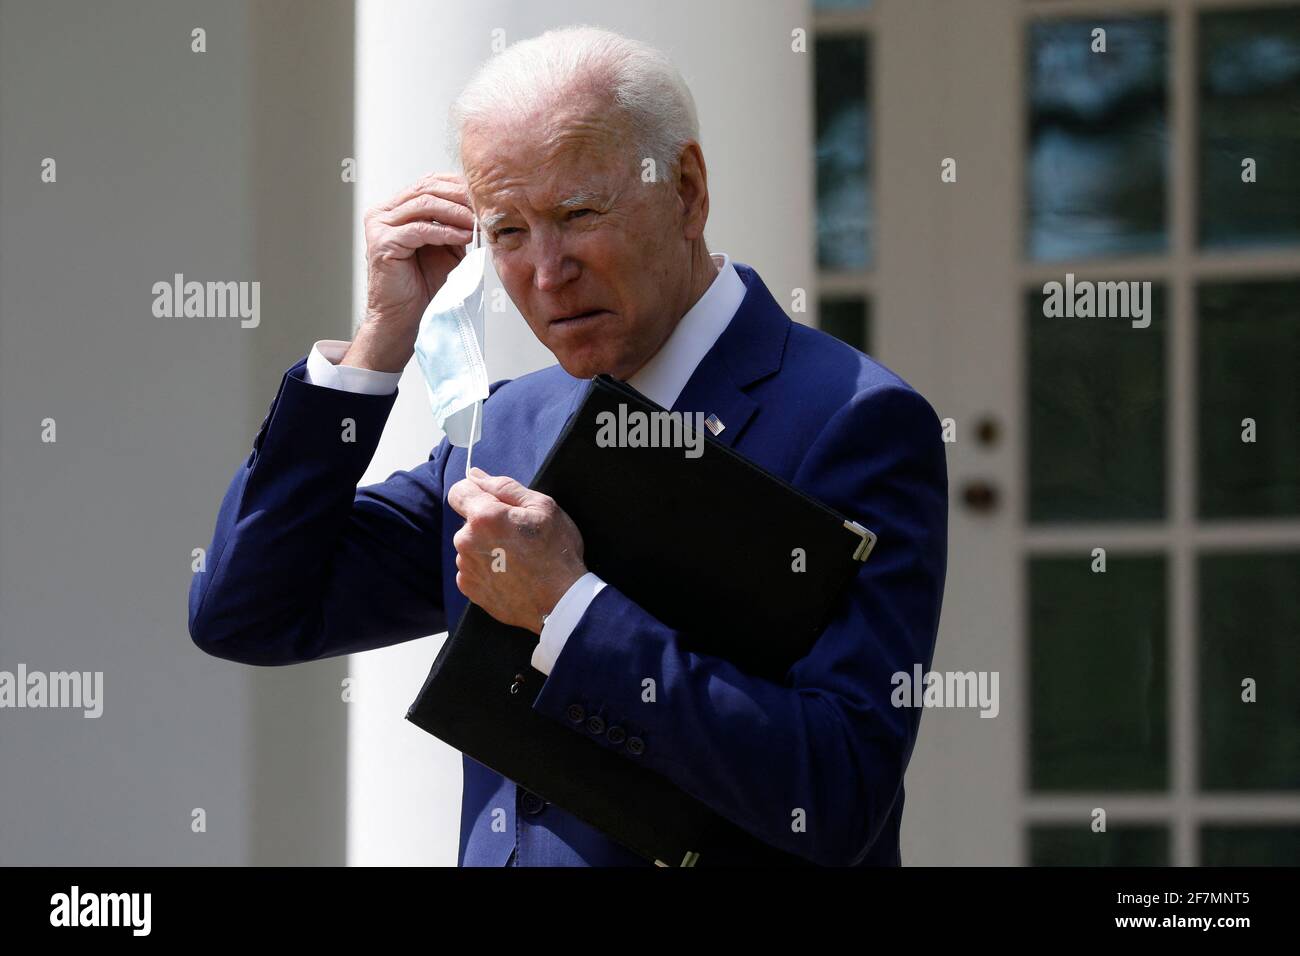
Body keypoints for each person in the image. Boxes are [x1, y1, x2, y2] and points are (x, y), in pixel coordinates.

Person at [188, 24, 948, 867]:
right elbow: (247, 610)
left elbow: (838, 796)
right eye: (506, 232)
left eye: (578, 214)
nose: (546, 273)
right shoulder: (509, 425)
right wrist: (376, 346)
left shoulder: (853, 420)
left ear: (687, 190)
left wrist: (570, 609)